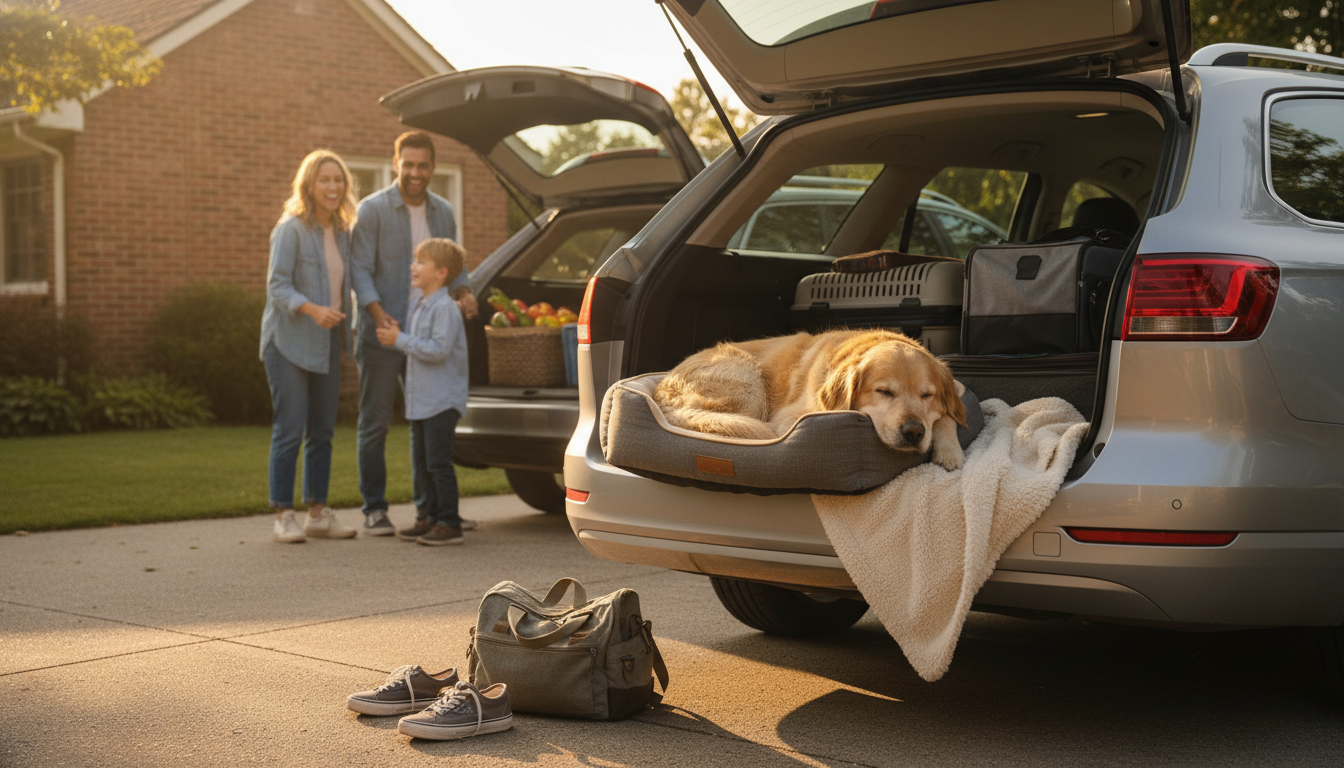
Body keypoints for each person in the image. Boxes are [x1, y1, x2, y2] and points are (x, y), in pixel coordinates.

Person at [351, 131, 479, 536]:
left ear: (433, 167)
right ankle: (374, 508)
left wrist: (465, 291)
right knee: (374, 424)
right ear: (396, 163)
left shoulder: (442, 211)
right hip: (382, 332)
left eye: (423, 165)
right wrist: (377, 314)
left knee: (420, 419)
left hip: (425, 330)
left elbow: (454, 266)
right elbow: (359, 269)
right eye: (408, 164)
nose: (415, 172)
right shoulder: (372, 210)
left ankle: (431, 512)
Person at [260, 149, 360, 543]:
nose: (333, 187)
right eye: (325, 179)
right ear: (309, 184)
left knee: (322, 431)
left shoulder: (343, 231)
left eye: (338, 180)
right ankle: (283, 514)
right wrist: (313, 309)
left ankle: (317, 513)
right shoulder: (290, 229)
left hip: (327, 343)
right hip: (287, 341)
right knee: (290, 429)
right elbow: (277, 285)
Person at [375, 238, 469, 545]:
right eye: (414, 261)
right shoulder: (419, 305)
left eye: (420, 262)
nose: (413, 267)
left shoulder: (445, 308)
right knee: (421, 463)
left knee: (438, 463)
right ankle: (428, 516)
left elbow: (439, 350)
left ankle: (450, 522)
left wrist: (400, 339)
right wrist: (398, 335)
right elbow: (419, 347)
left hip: (441, 400)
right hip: (421, 401)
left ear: (441, 273)